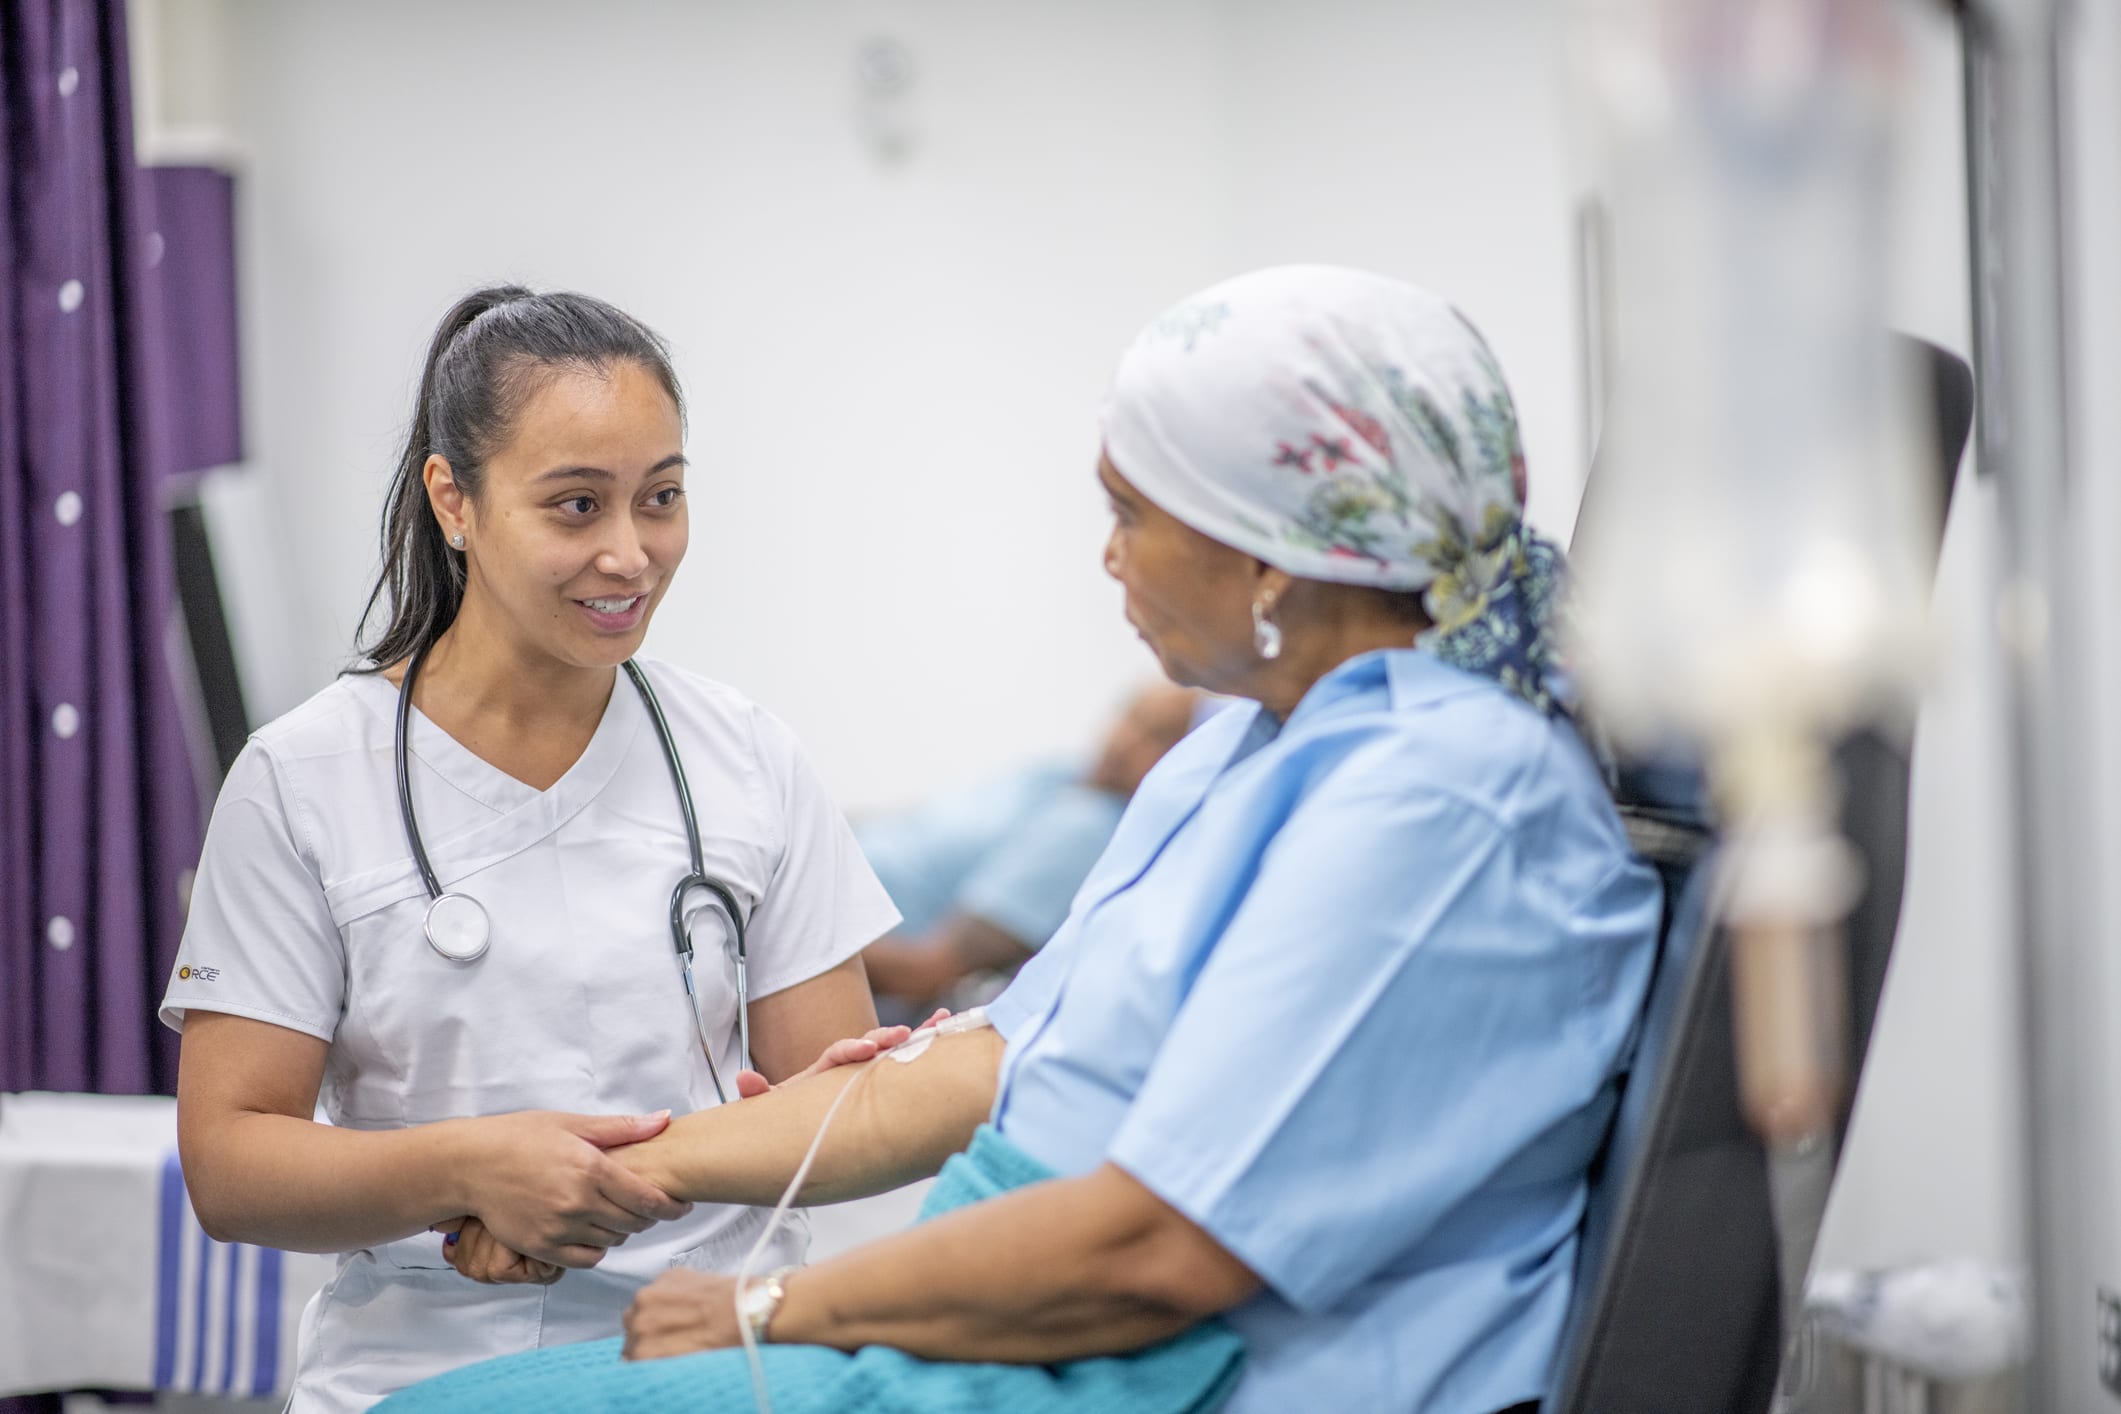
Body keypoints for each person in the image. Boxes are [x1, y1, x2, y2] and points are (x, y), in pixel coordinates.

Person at [385, 266, 1663, 1414]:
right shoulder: (1250, 744)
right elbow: (981, 1068)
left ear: (1271, 554)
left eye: (1133, 511)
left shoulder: (1436, 803)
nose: (1110, 556)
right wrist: (601, 1177)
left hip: (1171, 1363)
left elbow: (1154, 1250)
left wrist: (776, 1307)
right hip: (1019, 1314)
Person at [159, 288, 914, 1412]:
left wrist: (876, 1092)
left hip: (706, 1359)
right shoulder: (301, 778)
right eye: (575, 506)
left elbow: (844, 1114)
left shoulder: (745, 758)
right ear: (452, 498)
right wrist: (466, 1173)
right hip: (418, 1365)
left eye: (661, 498)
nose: (630, 555)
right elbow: (229, 1163)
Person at [857, 683, 1198, 1015]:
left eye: (1159, 737)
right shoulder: (1056, 774)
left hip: (845, 942)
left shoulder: (1087, 833)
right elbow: (915, 827)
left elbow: (924, 973)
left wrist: (817, 938)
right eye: (1132, 717)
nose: (1128, 741)